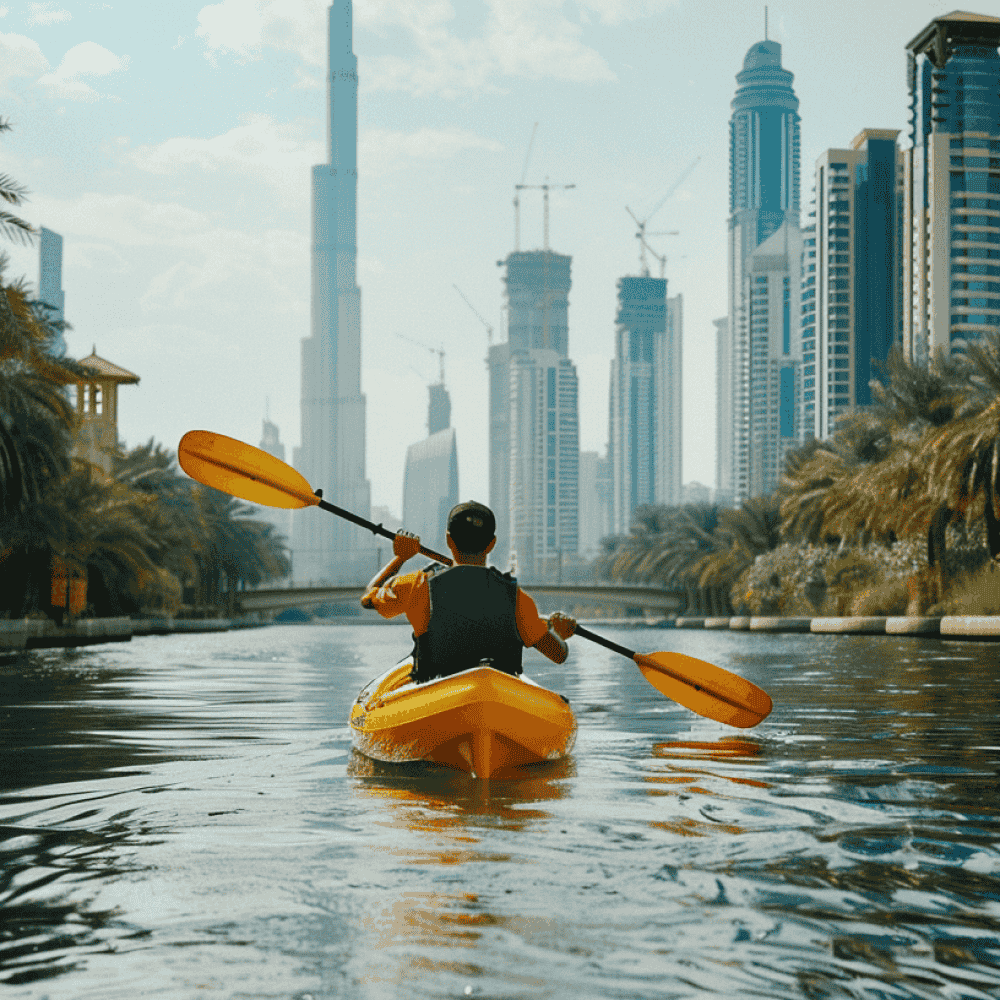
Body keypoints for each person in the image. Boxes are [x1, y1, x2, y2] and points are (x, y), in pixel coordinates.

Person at [361, 501, 576, 683]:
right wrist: (559, 633)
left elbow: (369, 597)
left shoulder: (417, 584)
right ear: (491, 544)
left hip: (436, 690)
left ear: (448, 539)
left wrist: (401, 556)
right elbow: (559, 654)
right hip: (497, 693)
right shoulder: (517, 598)